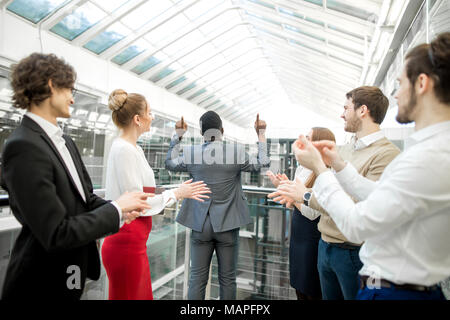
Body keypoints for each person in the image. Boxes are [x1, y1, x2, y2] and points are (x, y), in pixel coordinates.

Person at [291, 32, 450, 300]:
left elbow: (357, 223)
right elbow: (380, 194)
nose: (397, 93)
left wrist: (319, 170)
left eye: (400, 83)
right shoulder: (430, 151)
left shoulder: (428, 157)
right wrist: (338, 164)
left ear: (422, 83)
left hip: (395, 291)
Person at [0, 53, 152, 300]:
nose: (73, 96)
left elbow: (86, 200)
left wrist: (122, 209)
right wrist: (115, 210)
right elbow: (55, 233)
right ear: (51, 85)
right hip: (40, 283)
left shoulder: (66, 142)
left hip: (71, 273)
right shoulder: (23, 146)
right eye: (69, 88)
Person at [271, 86, 400, 300]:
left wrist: (304, 195)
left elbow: (356, 206)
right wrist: (299, 192)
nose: (341, 114)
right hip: (325, 246)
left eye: (346, 107)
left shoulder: (386, 154)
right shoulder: (343, 150)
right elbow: (331, 192)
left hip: (354, 253)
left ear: (362, 110)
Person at [101, 89, 211, 300]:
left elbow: (142, 190)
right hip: (126, 243)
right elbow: (137, 202)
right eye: (149, 113)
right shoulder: (124, 150)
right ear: (137, 119)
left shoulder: (134, 149)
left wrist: (177, 191)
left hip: (134, 242)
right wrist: (177, 193)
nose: (153, 117)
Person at [165, 111, 270, 299]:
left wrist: (178, 136)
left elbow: (170, 163)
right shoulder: (236, 152)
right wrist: (261, 134)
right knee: (228, 280)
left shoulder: (191, 153)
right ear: (222, 130)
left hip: (200, 224)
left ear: (202, 134)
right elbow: (262, 163)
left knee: (197, 279)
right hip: (228, 225)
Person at [267, 127, 335, 300]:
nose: (303, 140)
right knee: (298, 286)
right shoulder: (302, 169)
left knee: (310, 288)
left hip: (311, 238)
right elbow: (296, 203)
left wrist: (289, 192)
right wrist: (283, 188)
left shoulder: (325, 174)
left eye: (308, 137)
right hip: (298, 237)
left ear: (317, 144)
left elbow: (311, 212)